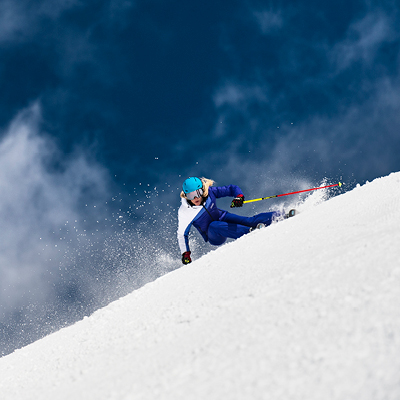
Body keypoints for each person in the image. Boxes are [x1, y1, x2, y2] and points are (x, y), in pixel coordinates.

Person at [177, 177, 295, 265]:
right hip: (213, 234)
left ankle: (282, 215)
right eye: (191, 195)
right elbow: (182, 234)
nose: (196, 198)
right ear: (186, 196)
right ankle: (249, 232)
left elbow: (231, 188)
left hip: (222, 217)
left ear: (202, 190)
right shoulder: (185, 212)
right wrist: (186, 253)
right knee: (214, 225)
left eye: (198, 193)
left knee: (250, 220)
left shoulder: (210, 193)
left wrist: (239, 196)